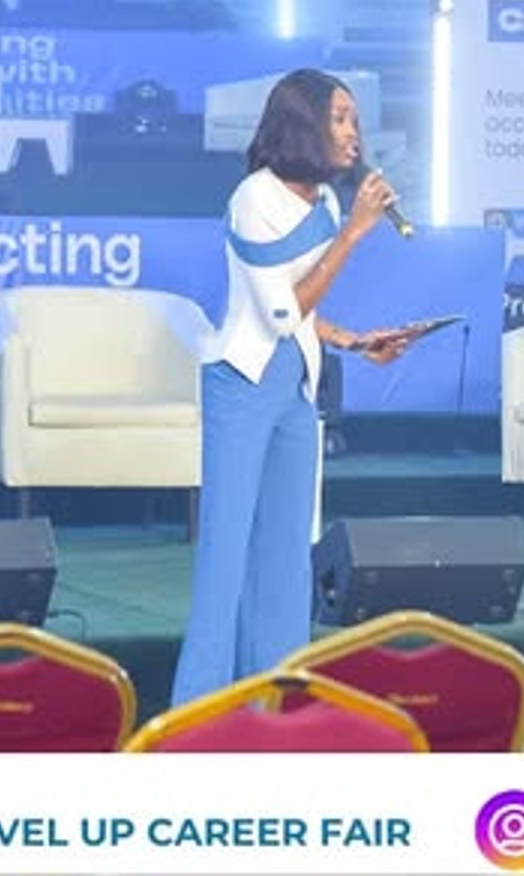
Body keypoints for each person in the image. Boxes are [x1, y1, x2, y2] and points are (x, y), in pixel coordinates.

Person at [170, 67, 418, 706]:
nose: (353, 133)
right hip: (242, 385)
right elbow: (278, 313)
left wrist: (355, 342)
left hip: (295, 389)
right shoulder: (254, 197)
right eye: (340, 118)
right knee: (226, 562)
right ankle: (196, 715)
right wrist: (354, 233)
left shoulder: (327, 202)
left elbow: (303, 310)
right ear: (305, 122)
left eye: (354, 120)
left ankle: (274, 707)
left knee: (286, 561)